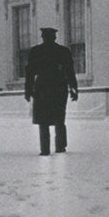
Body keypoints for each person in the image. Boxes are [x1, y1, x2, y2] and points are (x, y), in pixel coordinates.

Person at [24, 27, 78, 155]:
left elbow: (30, 73)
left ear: (43, 37)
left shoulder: (36, 51)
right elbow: (70, 72)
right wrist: (74, 89)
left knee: (44, 121)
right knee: (59, 118)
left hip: (42, 88)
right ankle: (60, 147)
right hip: (58, 87)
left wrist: (28, 90)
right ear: (54, 37)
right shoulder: (63, 51)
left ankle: (45, 149)